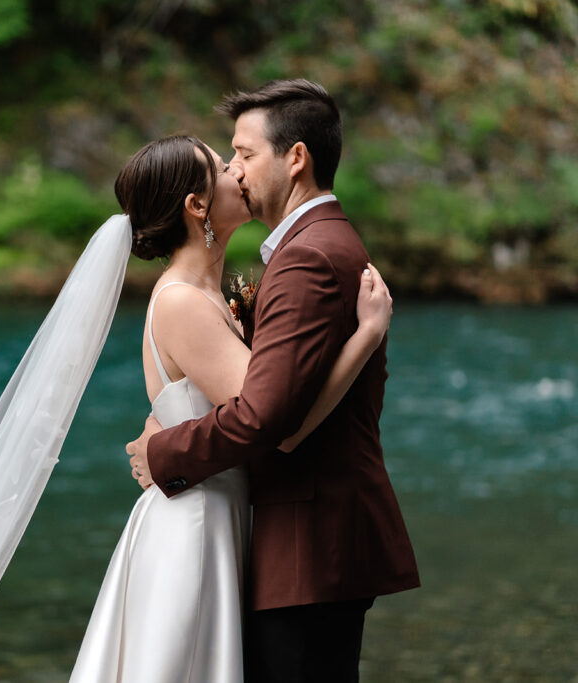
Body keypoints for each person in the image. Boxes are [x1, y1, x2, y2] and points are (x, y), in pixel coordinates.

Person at [70, 134, 393, 682]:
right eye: (224, 166)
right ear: (197, 206)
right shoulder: (182, 302)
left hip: (224, 515)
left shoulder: (211, 295)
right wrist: (365, 336)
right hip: (194, 528)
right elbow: (277, 421)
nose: (238, 173)